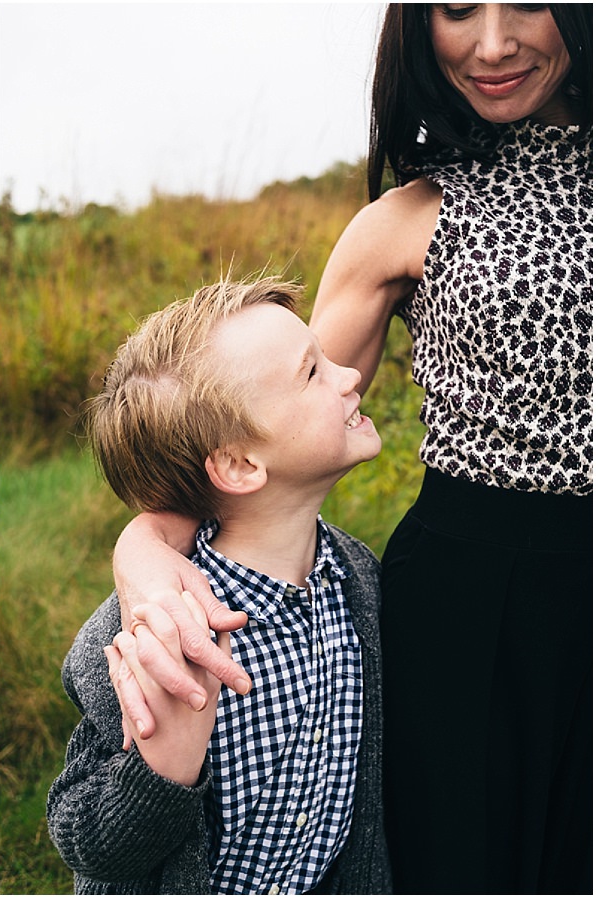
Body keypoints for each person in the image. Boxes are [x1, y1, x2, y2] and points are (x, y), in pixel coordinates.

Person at [110, 5, 592, 894]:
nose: (492, 43)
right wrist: (140, 550)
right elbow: (262, 428)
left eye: (528, 0)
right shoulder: (406, 220)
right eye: (455, 9)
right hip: (473, 607)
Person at [47, 279, 390, 894]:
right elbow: (84, 840)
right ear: (239, 465)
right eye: (312, 372)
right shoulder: (149, 632)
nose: (349, 377)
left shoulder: (359, 581)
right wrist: (164, 773)